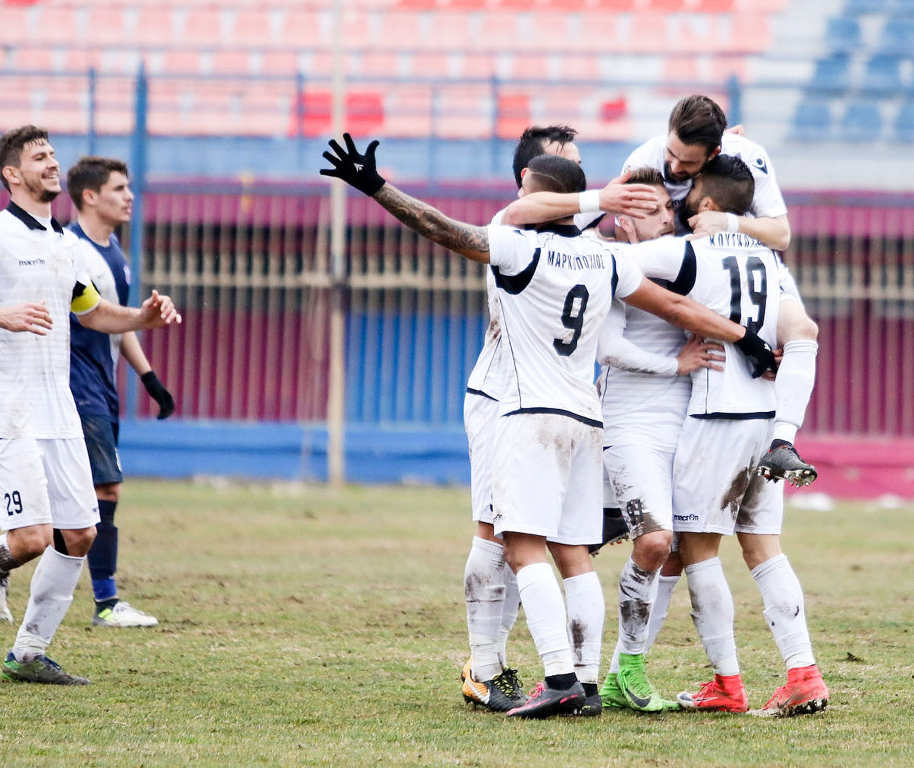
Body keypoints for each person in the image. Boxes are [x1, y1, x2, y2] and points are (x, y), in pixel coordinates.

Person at [321, 133, 777, 719]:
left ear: (533, 194)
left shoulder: (516, 246)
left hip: (526, 414)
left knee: (517, 544)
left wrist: (375, 188)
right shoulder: (605, 257)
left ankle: (551, 675)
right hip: (587, 419)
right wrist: (748, 338)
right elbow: (678, 309)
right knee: (574, 554)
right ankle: (585, 684)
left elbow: (442, 227)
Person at [0, 125, 181, 685]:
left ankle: (28, 653)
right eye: (40, 157)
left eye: (54, 154)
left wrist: (142, 319)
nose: (53, 163)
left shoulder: (62, 244)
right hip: (7, 409)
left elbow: (93, 312)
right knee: (31, 538)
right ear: (13, 174)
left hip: (59, 412)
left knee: (81, 533)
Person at [504, 95, 821, 488]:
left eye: (687, 163)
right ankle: (616, 492)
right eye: (671, 152)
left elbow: (781, 234)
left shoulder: (747, 155)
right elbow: (616, 225)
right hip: (677, 269)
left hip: (739, 265)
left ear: (716, 152)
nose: (674, 166)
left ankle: (782, 442)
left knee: (804, 332)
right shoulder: (644, 160)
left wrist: (728, 222)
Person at [461, 125, 661, 714]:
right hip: (499, 395)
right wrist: (600, 198)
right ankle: (486, 665)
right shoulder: (514, 225)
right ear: (528, 179)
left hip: (547, 403)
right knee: (492, 530)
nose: (581, 176)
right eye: (566, 166)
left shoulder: (574, 240)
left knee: (541, 544)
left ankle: (564, 678)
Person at [662, 155, 829, 717]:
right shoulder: (770, 259)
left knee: (697, 549)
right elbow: (801, 331)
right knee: (763, 548)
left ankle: (727, 685)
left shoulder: (691, 251)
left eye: (689, 197)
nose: (681, 205)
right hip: (766, 420)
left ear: (706, 204)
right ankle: (802, 672)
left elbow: (630, 275)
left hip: (716, 415)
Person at [588, 167, 725, 714]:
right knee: (648, 542)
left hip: (689, 427)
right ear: (622, 218)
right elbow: (607, 348)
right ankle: (506, 660)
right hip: (630, 424)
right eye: (646, 210)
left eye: (665, 210)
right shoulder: (610, 264)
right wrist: (676, 364)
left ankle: (625, 669)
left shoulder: (689, 262)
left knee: (673, 553)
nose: (663, 217)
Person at [65, 156, 174, 629]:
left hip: (101, 387)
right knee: (103, 489)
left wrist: (150, 379)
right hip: (76, 385)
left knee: (71, 498)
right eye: (119, 188)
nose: (130, 196)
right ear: (90, 196)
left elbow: (116, 321)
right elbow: (100, 316)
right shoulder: (71, 251)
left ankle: (1, 559)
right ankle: (107, 602)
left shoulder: (113, 253)